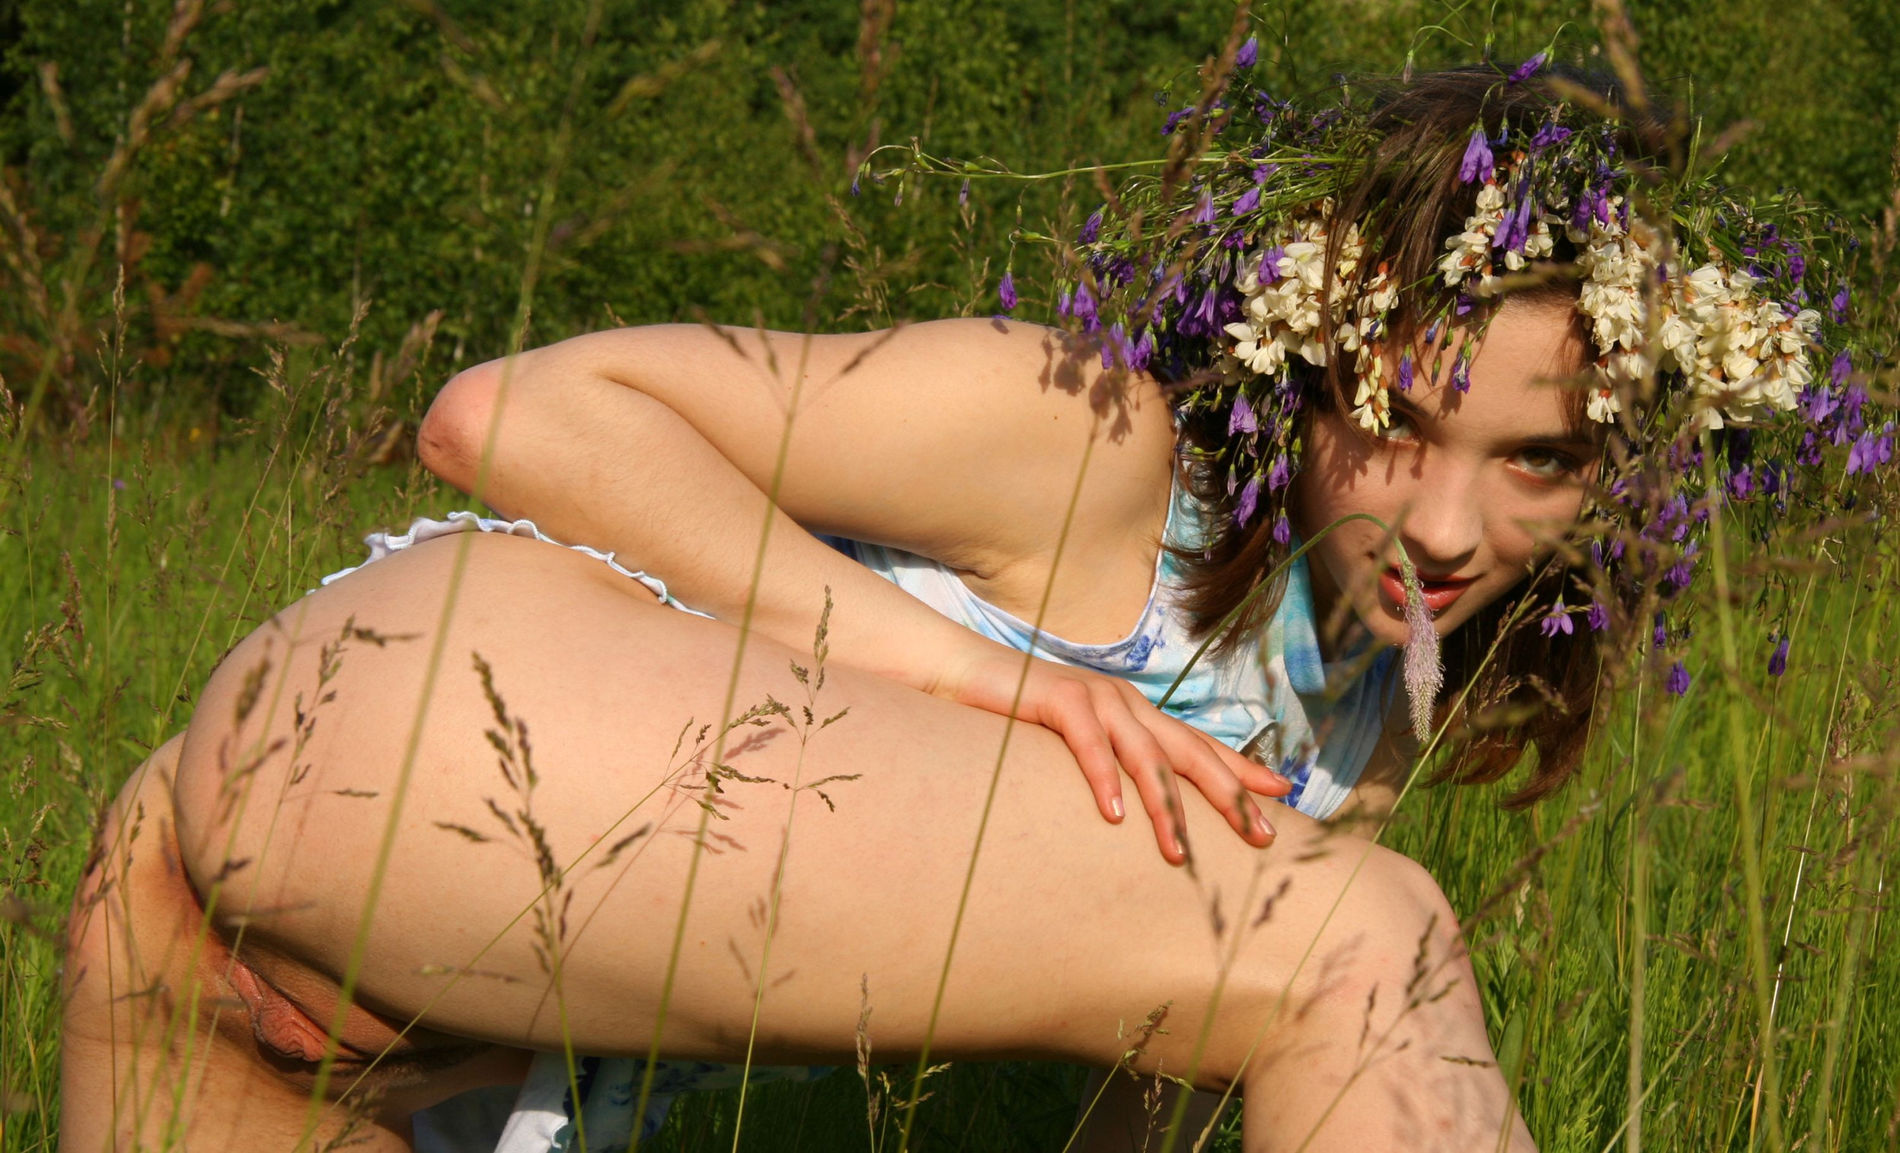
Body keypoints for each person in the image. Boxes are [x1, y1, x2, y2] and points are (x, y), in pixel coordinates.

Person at [60, 55, 1855, 1153]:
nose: (1449, 522)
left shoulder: (1376, 708)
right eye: (1394, 420)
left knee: (1332, 936)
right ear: (1299, 367)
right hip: (435, 711)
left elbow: (1165, 1097)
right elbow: (507, 413)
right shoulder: (1090, 439)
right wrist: (975, 677)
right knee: (1372, 945)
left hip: (223, 939)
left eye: (1539, 458)